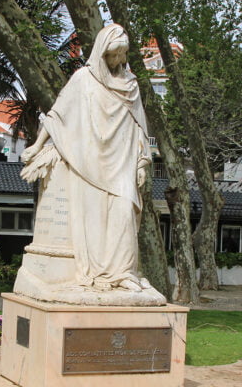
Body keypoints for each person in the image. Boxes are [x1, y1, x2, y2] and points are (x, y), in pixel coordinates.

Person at [20, 23, 153, 293]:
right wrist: (37, 146)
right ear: (102, 53)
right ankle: (100, 271)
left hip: (123, 159)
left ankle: (123, 272)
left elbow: (140, 125)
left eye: (122, 54)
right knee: (93, 219)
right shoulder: (84, 78)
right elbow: (58, 114)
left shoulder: (130, 84)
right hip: (90, 158)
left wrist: (142, 162)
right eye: (113, 55)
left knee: (125, 211)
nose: (118, 60)